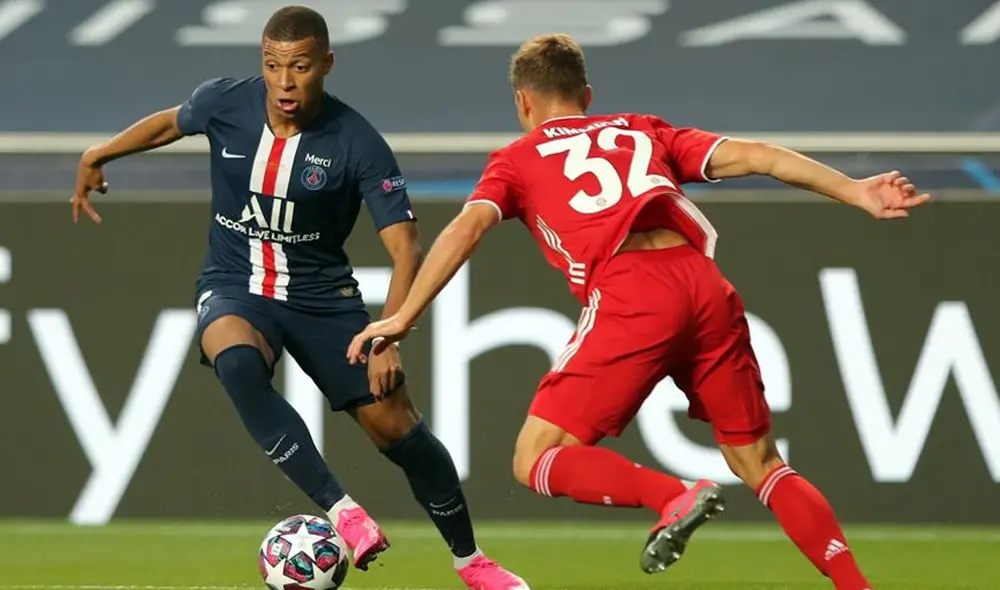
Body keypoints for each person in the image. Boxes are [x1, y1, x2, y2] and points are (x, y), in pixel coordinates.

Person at [347, 33, 931, 590]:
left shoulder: (517, 159)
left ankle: (672, 496)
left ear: (523, 103)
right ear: (588, 97)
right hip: (705, 284)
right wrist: (855, 190)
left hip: (631, 291)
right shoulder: (643, 130)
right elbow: (759, 156)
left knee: (535, 458)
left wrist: (402, 316)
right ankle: (855, 583)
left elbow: (468, 227)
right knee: (761, 461)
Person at [69, 6, 529, 590]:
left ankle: (471, 561)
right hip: (236, 284)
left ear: (326, 65)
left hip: (322, 299)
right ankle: (344, 511)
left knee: (400, 432)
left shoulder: (357, 142)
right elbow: (170, 123)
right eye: (273, 66)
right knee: (236, 361)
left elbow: (406, 248)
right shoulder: (225, 103)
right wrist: (98, 153)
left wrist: (388, 333)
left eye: (301, 67)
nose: (285, 82)